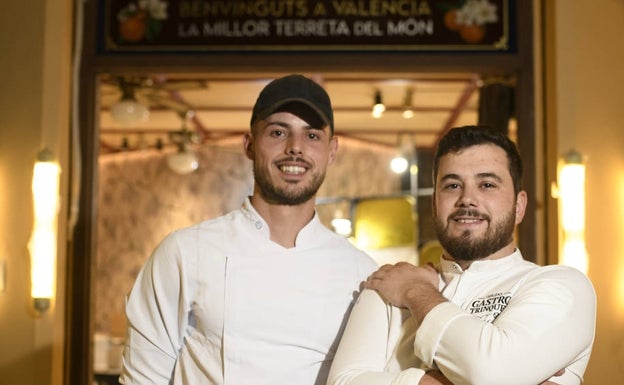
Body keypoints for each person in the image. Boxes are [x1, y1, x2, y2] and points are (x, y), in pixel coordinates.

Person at [119, 74, 378, 385]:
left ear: (332, 151)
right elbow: (142, 379)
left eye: (311, 136)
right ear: (249, 144)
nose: (295, 148)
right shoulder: (184, 253)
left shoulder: (361, 273)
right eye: (278, 132)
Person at [328, 125, 596, 385]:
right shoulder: (388, 285)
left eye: (487, 185)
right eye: (452, 186)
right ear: (434, 203)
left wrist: (416, 292)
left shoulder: (563, 286)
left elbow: (493, 373)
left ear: (519, 206)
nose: (467, 199)